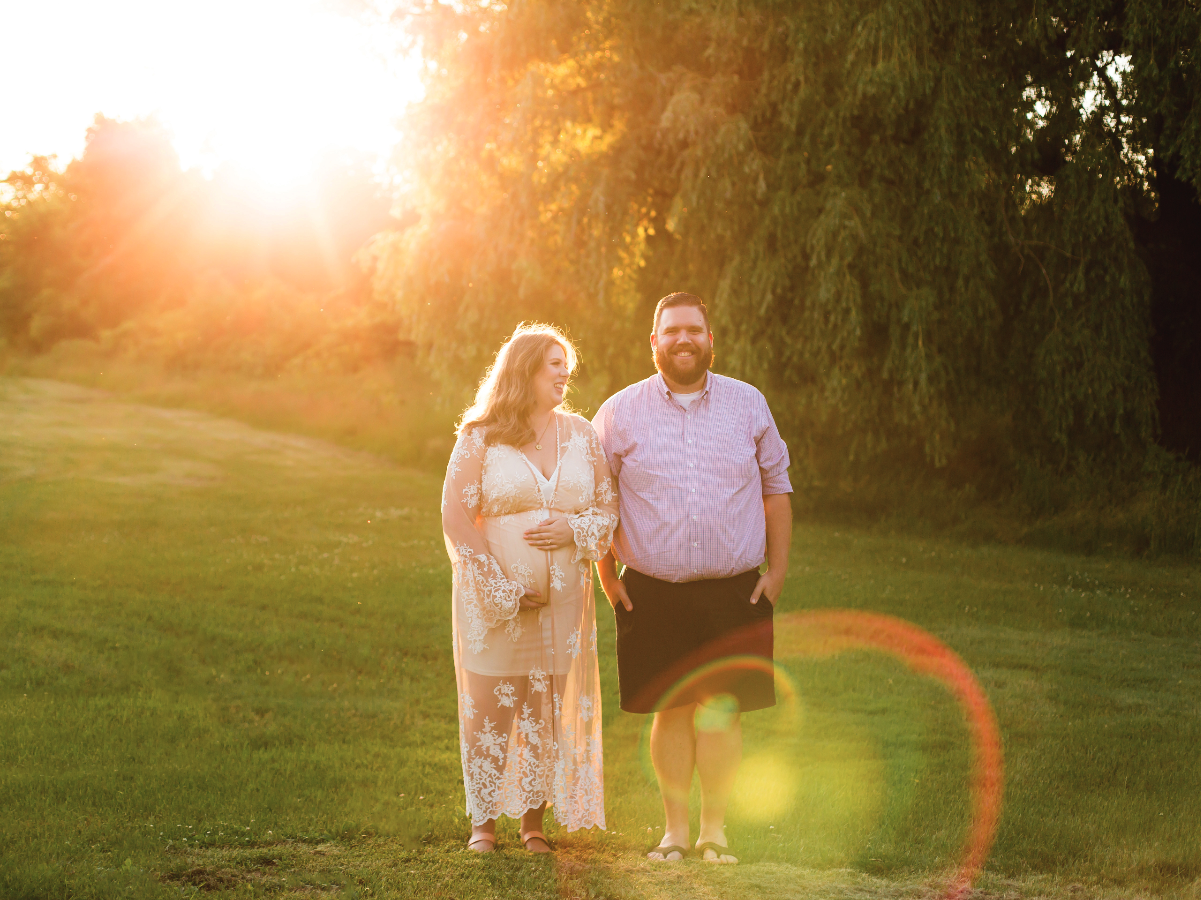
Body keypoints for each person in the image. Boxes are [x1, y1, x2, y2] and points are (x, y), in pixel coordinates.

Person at [592, 292, 793, 865]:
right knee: (671, 710)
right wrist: (608, 578)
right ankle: (674, 833)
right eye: (672, 330)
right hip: (651, 590)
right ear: (653, 342)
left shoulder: (747, 404)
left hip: (734, 589)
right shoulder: (620, 412)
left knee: (721, 709)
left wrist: (776, 573)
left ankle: (714, 832)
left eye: (694, 330)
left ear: (711, 339)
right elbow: (596, 501)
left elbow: (776, 488)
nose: (684, 339)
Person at [441, 323, 619, 854]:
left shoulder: (583, 436)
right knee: (491, 706)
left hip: (565, 603)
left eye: (567, 364)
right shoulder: (481, 436)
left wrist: (573, 528)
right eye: (554, 364)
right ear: (525, 371)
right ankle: (484, 826)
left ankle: (533, 825)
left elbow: (607, 508)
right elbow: (455, 515)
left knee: (546, 706)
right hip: (496, 601)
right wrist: (503, 587)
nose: (566, 373)